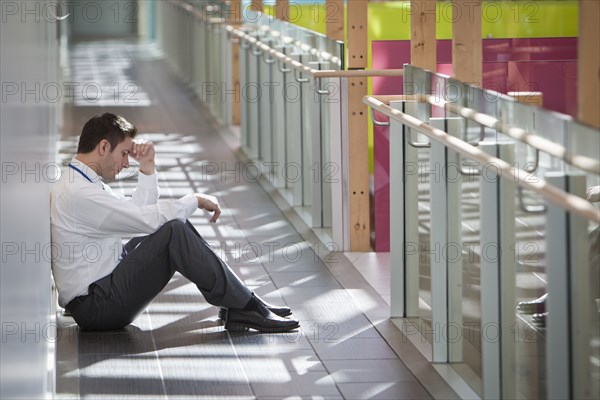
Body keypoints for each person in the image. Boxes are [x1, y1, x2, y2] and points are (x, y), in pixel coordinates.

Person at [50, 113, 299, 333]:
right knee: (173, 232)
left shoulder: (80, 182)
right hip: (98, 307)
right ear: (104, 147)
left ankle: (239, 301)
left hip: (100, 289)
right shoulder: (79, 193)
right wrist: (195, 199)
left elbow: (138, 213)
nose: (126, 163)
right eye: (124, 154)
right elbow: (144, 219)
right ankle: (245, 304)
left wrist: (147, 168)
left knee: (169, 226)